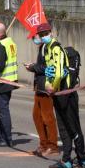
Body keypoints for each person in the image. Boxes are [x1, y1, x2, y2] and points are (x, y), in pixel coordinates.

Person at [24, 27, 59, 157]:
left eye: (36, 36)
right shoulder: (43, 48)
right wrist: (34, 66)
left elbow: (49, 67)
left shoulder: (50, 47)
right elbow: (43, 66)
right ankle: (43, 143)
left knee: (47, 117)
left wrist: (33, 67)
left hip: (46, 87)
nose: (35, 39)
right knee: (37, 116)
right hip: (40, 87)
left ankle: (53, 145)